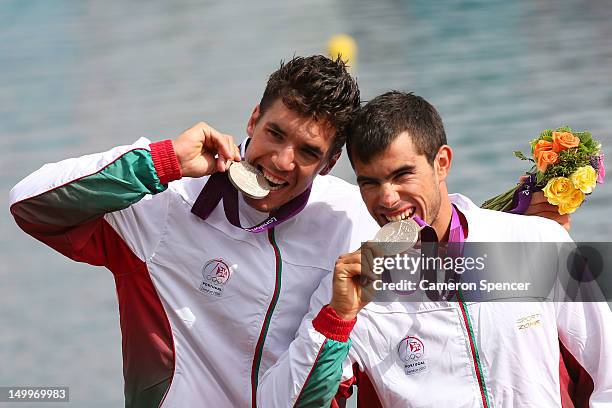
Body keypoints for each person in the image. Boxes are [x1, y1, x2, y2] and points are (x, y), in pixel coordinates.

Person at [9, 55, 571, 407]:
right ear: (251, 118)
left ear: (328, 165)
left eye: (308, 151)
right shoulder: (162, 203)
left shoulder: (351, 215)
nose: (281, 161)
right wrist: (161, 161)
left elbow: (438, 251)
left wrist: (534, 233)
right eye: (274, 133)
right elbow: (29, 205)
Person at [256, 91, 611, 407]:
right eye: (370, 182)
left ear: (441, 163)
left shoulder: (535, 242)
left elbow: (606, 378)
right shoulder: (354, 288)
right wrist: (337, 319)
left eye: (402, 175)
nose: (388, 198)